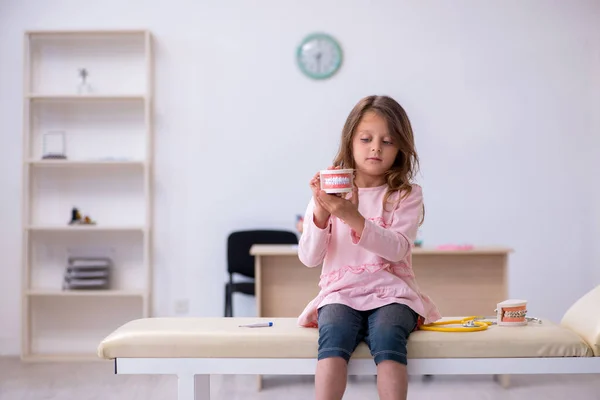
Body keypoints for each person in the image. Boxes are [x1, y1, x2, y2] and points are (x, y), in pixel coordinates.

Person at [297, 95, 441, 400]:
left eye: (387, 141)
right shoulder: (330, 192)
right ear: (350, 141)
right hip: (341, 292)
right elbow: (309, 257)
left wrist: (352, 216)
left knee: (388, 334)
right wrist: (322, 214)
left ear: (400, 148)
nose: (375, 147)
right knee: (333, 333)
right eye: (366, 139)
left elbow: (397, 249)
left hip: (393, 292)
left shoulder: (405, 194)